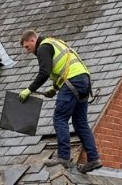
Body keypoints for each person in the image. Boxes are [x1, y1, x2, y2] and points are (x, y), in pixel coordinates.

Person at [18, 30, 102, 173]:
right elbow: (63, 67)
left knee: (60, 118)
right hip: (84, 81)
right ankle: (93, 159)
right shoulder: (53, 42)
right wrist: (55, 88)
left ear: (33, 40)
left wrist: (29, 89)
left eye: (27, 47)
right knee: (80, 123)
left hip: (73, 82)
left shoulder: (43, 47)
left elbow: (44, 72)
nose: (27, 51)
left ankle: (63, 157)